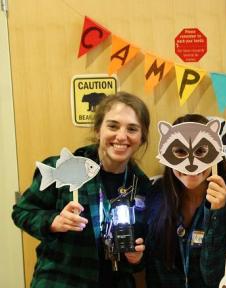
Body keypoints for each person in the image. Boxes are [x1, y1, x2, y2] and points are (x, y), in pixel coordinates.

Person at [12, 91, 152, 287]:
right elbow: (21, 212)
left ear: (142, 137)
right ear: (98, 130)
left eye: (132, 129)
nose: (121, 136)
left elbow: (145, 251)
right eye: (112, 126)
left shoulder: (143, 186)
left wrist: (136, 258)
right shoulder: (62, 168)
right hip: (60, 281)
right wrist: (53, 222)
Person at [145, 114, 226, 288]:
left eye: (201, 151)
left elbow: (216, 277)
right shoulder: (157, 196)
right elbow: (152, 268)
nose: (191, 162)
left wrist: (216, 214)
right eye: (179, 151)